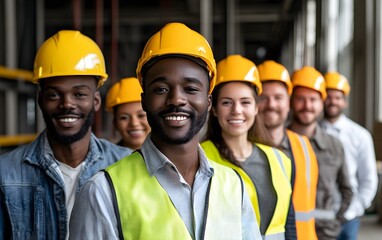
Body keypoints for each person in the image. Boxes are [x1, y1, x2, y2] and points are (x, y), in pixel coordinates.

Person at [69, 22, 261, 240]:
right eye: (161, 89)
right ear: (144, 100)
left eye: (190, 89)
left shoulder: (235, 187)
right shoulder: (103, 192)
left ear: (208, 101)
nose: (176, 99)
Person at [0, 30, 132, 240]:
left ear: (96, 101)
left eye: (79, 94)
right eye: (54, 95)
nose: (67, 104)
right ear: (40, 100)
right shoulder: (6, 174)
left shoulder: (126, 166)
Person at [201, 54, 296, 239]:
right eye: (227, 102)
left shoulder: (280, 160)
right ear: (213, 109)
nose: (236, 110)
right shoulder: (199, 158)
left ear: (256, 108)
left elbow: (288, 222)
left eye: (245, 102)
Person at [288, 66, 353, 240]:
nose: (307, 106)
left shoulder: (334, 145)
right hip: (288, 234)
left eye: (313, 100)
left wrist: (337, 222)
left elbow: (347, 189)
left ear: (321, 103)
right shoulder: (278, 145)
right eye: (301, 99)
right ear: (291, 101)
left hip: (325, 234)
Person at [257, 60, 319, 240]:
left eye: (278, 97)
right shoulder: (241, 149)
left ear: (288, 102)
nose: (271, 104)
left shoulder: (304, 146)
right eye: (263, 98)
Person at [319, 71, 378, 240]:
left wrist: (353, 210)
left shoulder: (360, 135)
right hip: (316, 212)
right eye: (328, 97)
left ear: (344, 101)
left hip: (348, 216)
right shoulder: (309, 133)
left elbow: (369, 179)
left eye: (337, 97)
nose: (332, 101)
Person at [105, 77, 150, 150]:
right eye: (124, 117)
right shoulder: (108, 160)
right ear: (115, 123)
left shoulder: (173, 156)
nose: (134, 123)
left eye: (141, 115)